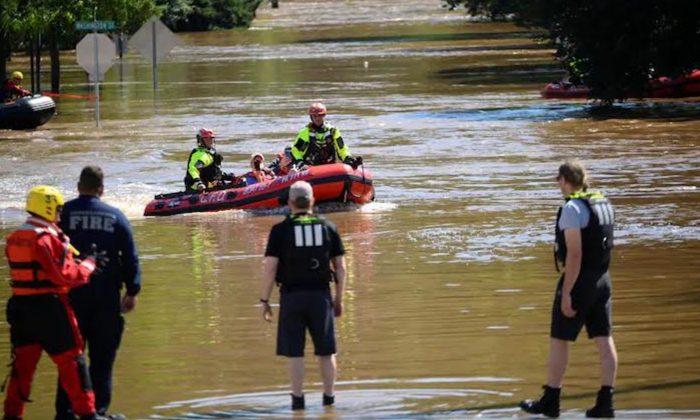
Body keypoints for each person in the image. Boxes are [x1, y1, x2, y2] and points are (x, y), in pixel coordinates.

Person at [519, 161, 618, 419]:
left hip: (579, 282)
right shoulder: (603, 202)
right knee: (604, 341)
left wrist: (566, 293)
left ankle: (551, 401)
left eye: (558, 181)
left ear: (564, 180)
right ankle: (605, 404)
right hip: (603, 279)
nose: (557, 186)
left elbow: (574, 255)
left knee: (559, 340)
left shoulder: (572, 209)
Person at [3, 185, 109, 420]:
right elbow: (66, 277)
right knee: (73, 363)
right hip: (51, 309)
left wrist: (77, 260)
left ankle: (12, 415)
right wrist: (89, 264)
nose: (60, 214)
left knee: (22, 369)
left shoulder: (15, 237)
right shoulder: (47, 239)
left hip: (21, 311)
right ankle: (88, 414)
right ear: (49, 208)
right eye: (59, 209)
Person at [54, 166, 141, 420]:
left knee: (70, 361)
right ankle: (96, 413)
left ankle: (65, 413)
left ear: (79, 186)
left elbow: (49, 250)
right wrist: (132, 290)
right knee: (102, 362)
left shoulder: (64, 214)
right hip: (106, 300)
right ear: (101, 189)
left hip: (70, 299)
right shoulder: (116, 217)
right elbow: (130, 256)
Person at [260, 181, 347, 410]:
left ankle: (298, 402)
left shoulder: (280, 231)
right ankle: (329, 402)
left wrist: (265, 300)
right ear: (313, 201)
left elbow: (269, 268)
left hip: (291, 297)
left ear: (289, 203)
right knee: (326, 352)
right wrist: (339, 299)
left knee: (295, 353)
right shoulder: (328, 227)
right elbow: (341, 268)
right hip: (320, 296)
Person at [291, 103, 362, 169]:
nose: (317, 118)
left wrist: (348, 158)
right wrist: (300, 162)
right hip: (310, 167)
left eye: (319, 115)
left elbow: (342, 148)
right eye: (314, 116)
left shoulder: (332, 130)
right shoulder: (305, 132)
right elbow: (295, 150)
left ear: (323, 115)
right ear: (311, 117)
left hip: (329, 165)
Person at [184, 128, 236, 192]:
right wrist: (199, 183)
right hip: (198, 189)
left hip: (212, 186)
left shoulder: (211, 153)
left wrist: (229, 177)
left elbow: (214, 172)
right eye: (206, 138)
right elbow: (193, 169)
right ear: (200, 140)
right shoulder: (199, 154)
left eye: (211, 138)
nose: (209, 141)